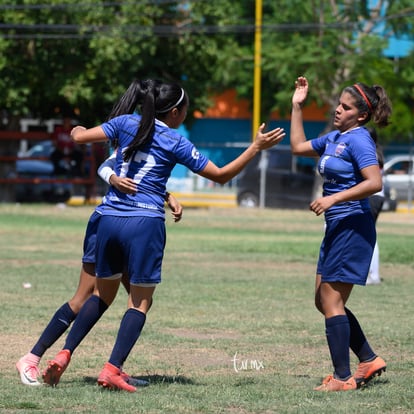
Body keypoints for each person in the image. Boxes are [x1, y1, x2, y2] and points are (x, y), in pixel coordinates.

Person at [42, 78, 285, 392]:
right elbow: (221, 175)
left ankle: (64, 353)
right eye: (185, 109)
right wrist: (255, 147)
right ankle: (112, 370)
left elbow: (81, 138)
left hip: (110, 219)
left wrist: (76, 130)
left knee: (102, 295)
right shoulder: (176, 141)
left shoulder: (125, 122)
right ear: (175, 113)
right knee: (139, 303)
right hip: (144, 223)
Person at [16, 154, 183, 387]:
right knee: (87, 298)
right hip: (110, 221)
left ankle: (112, 367)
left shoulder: (149, 132)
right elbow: (108, 165)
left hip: (122, 222)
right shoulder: (135, 128)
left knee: (139, 299)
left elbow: (140, 174)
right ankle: (31, 359)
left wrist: (167, 195)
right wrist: (113, 178)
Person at [290, 76, 391, 392]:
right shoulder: (335, 137)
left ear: (360, 115)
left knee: (331, 301)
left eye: (345, 107)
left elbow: (375, 182)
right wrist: (297, 106)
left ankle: (343, 378)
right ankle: (369, 359)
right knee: (323, 300)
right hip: (337, 226)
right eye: (338, 104)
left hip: (353, 225)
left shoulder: (360, 139)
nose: (337, 110)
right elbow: (297, 147)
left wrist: (332, 197)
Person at [366, 128, 385, 285]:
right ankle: (372, 274)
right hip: (376, 197)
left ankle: (373, 275)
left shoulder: (371, 154)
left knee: (368, 236)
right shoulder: (376, 152)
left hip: (372, 197)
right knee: (368, 235)